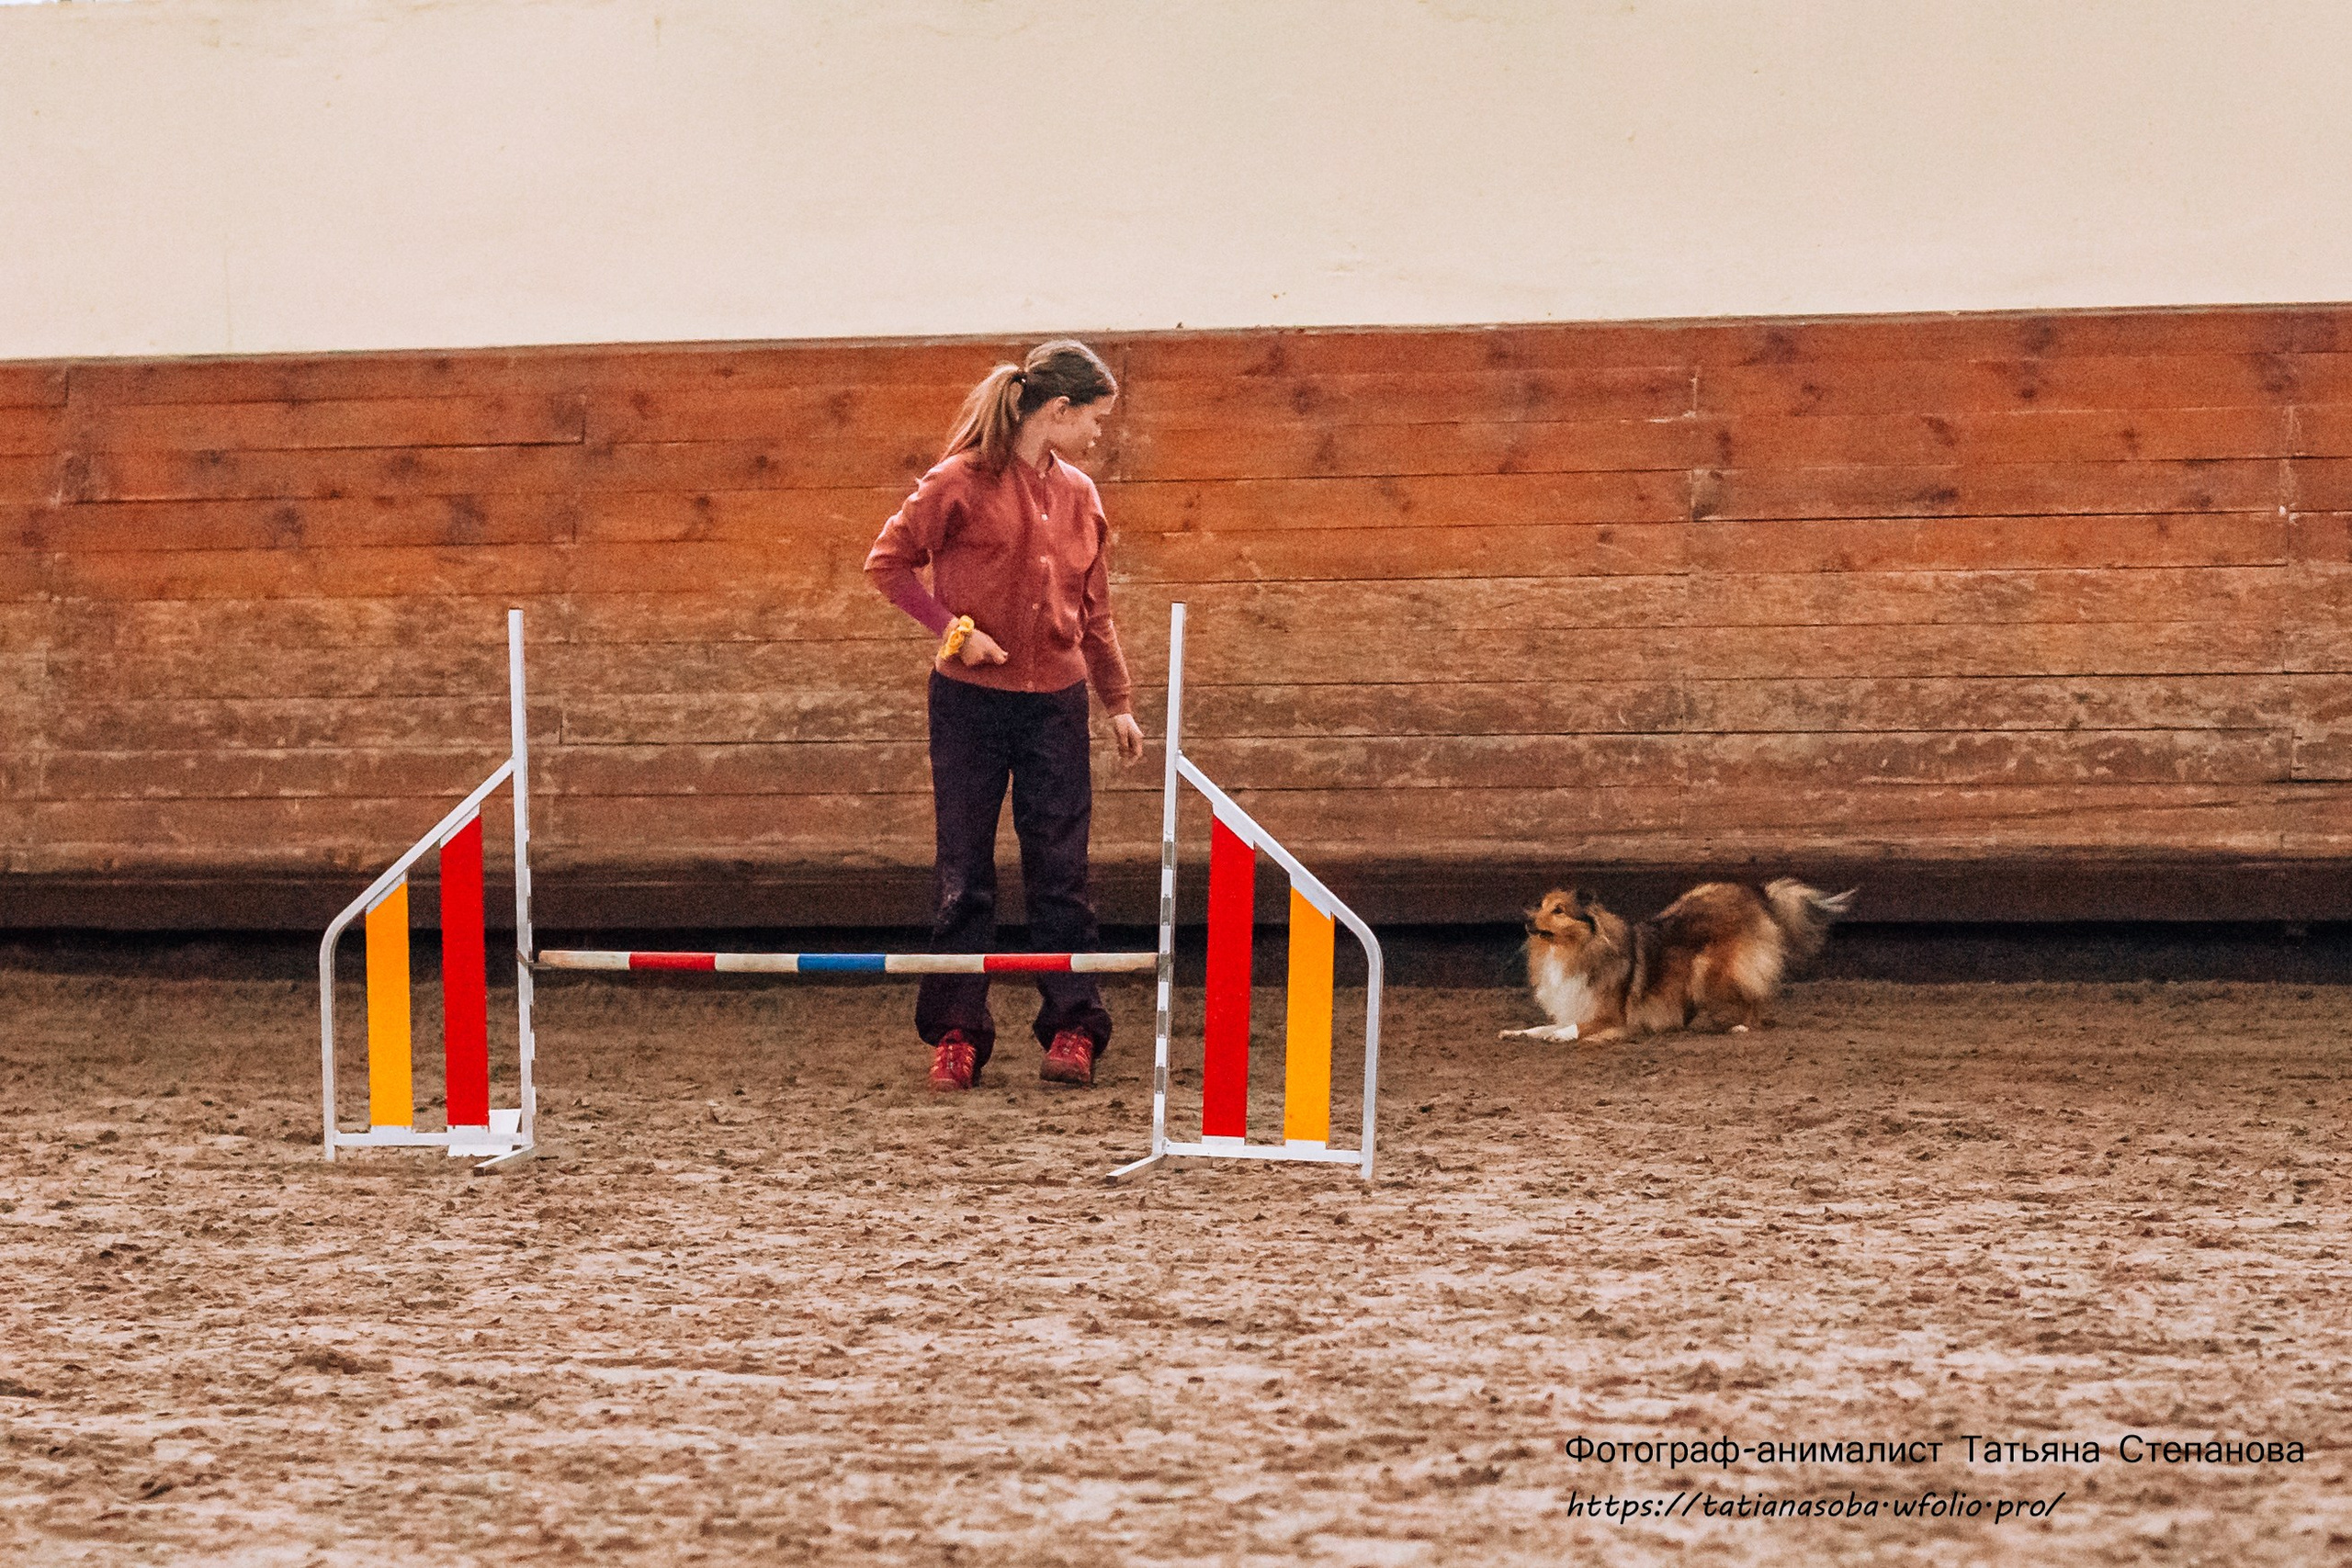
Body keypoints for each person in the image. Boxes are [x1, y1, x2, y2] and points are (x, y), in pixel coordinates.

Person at [863, 340, 1147, 1093]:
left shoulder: (1082, 495)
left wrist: (1115, 701)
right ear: (1056, 413)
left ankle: (1073, 1028)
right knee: (964, 870)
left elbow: (1096, 611)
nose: (1097, 435)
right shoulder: (958, 481)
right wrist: (952, 629)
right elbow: (886, 562)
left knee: (1062, 873)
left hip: (1055, 704)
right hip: (969, 705)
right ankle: (958, 1032)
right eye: (1094, 419)